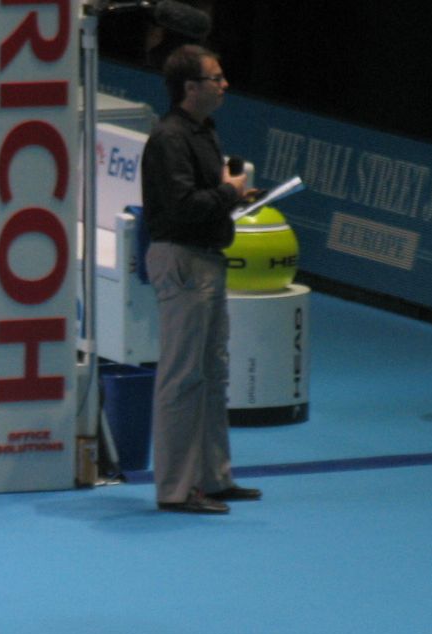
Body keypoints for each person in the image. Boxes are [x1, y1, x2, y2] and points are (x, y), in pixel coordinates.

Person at [140, 44, 262, 514]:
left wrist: (234, 195)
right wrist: (226, 193)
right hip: (184, 262)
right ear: (190, 88)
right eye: (216, 78)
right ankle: (175, 489)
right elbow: (181, 207)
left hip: (206, 259)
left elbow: (200, 199)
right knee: (183, 379)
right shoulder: (169, 138)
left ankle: (213, 478)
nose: (224, 84)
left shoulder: (202, 133)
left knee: (212, 375)